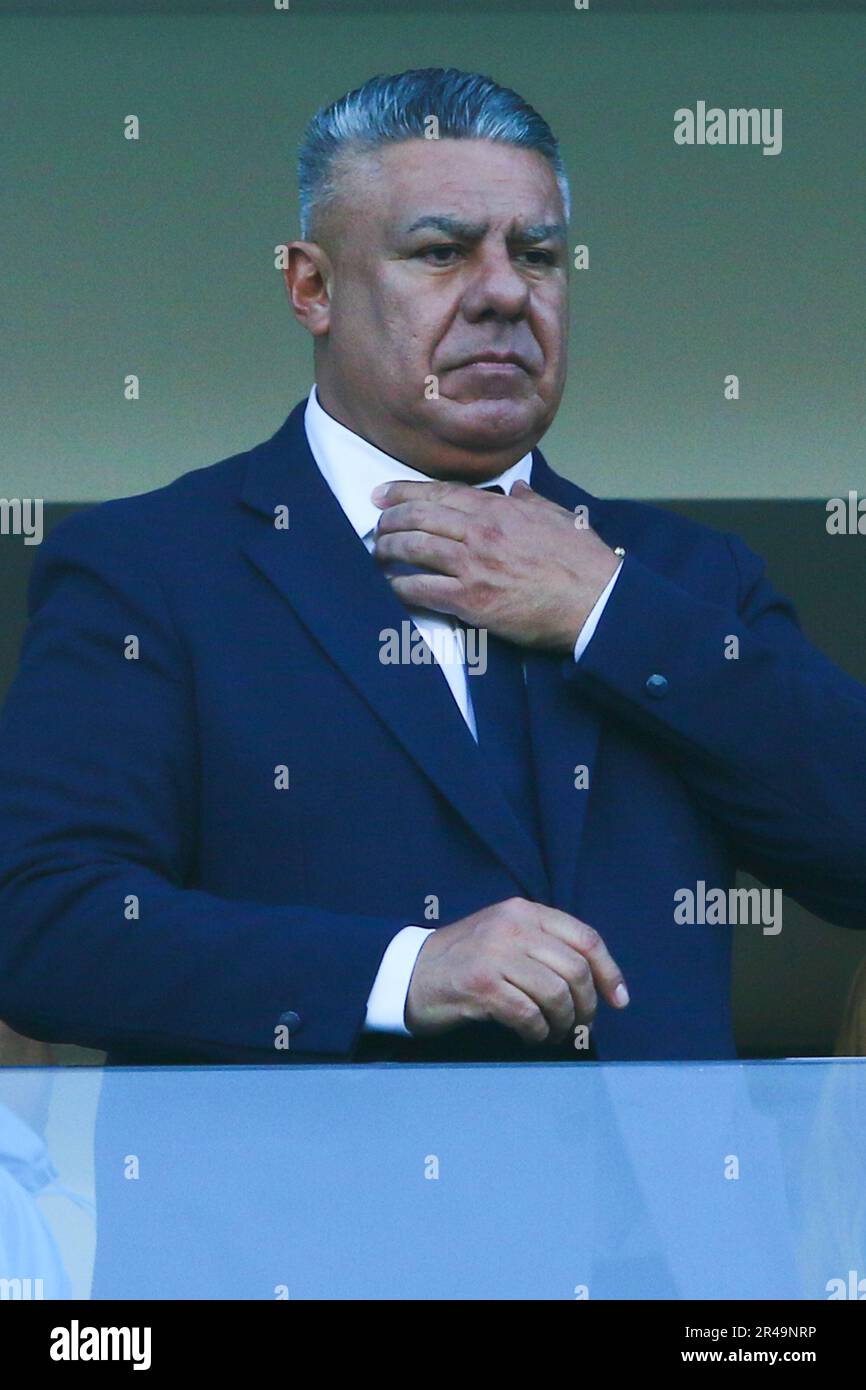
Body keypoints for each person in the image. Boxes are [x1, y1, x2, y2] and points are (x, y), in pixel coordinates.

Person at [0, 67, 864, 1067]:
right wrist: (402, 970)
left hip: (656, 1226)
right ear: (310, 285)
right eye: (441, 251)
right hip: (319, 1221)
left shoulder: (680, 578)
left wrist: (605, 611)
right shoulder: (150, 570)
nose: (503, 291)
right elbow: (47, 924)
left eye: (537, 254)